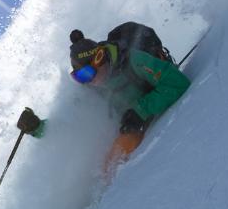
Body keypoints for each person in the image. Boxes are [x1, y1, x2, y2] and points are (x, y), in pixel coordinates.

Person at [68, 22, 191, 173]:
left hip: (146, 114)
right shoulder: (93, 86)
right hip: (130, 123)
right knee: (102, 165)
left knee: (114, 162)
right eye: (79, 77)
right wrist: (38, 128)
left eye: (86, 73)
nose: (88, 81)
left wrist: (140, 111)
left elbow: (177, 83)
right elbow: (71, 123)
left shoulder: (133, 60)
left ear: (99, 58)